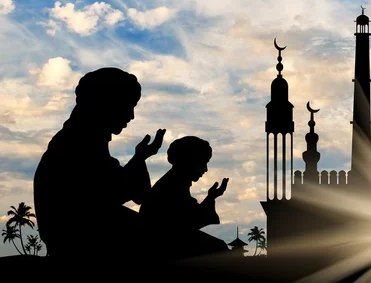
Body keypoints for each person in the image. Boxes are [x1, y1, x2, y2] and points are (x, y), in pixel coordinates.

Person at [33, 67, 165, 264]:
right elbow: (110, 191)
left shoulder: (85, 141)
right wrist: (138, 160)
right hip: (81, 242)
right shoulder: (75, 143)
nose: (131, 116)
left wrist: (140, 158)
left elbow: (120, 188)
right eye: (126, 105)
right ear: (103, 103)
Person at [139, 136, 230, 260]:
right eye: (203, 162)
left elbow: (189, 217)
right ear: (190, 161)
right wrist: (210, 198)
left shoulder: (175, 182)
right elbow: (187, 221)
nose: (206, 169)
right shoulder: (172, 185)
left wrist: (211, 197)